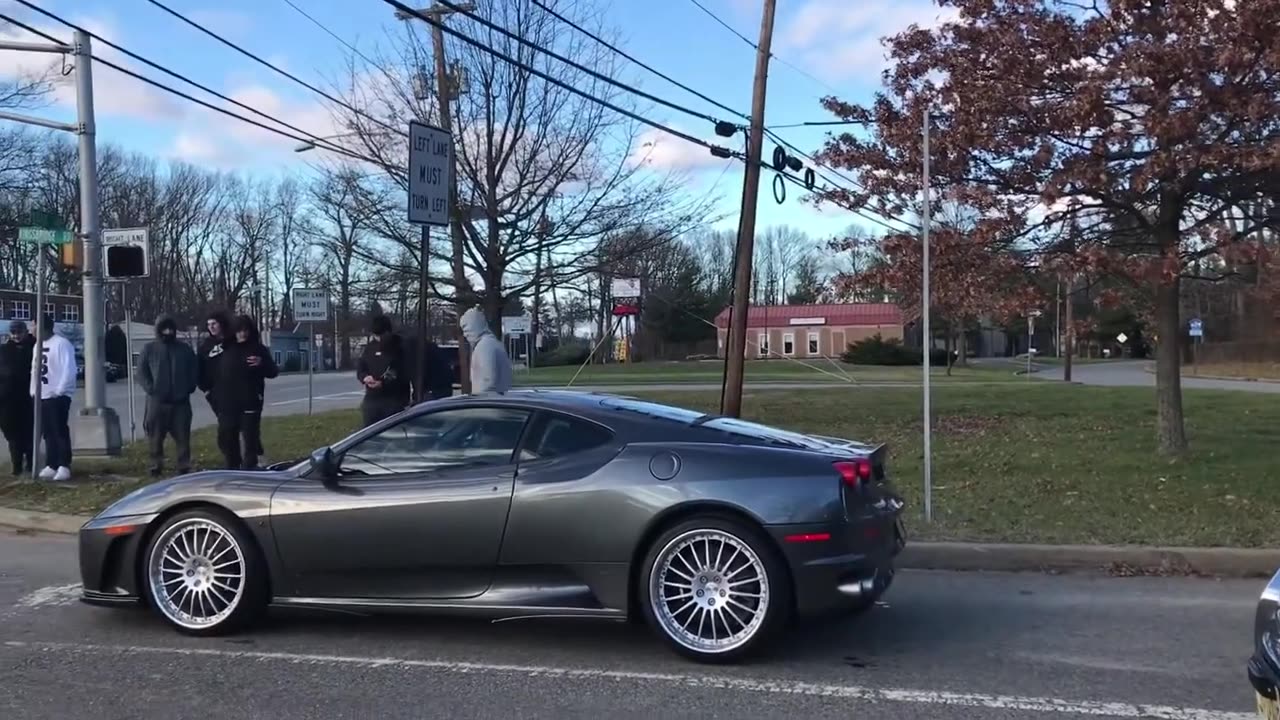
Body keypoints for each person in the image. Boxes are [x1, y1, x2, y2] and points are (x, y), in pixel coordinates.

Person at [212, 315, 277, 470]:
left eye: (246, 330)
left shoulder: (258, 349)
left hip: (250, 402)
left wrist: (261, 364)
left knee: (250, 440)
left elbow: (273, 371)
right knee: (229, 440)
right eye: (240, 331)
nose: (243, 334)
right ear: (234, 332)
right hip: (228, 404)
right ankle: (232, 469)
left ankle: (250, 469)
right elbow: (212, 372)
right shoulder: (225, 349)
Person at [137, 315, 198, 477]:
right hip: (157, 401)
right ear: (158, 330)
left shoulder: (184, 349)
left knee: (183, 435)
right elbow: (141, 372)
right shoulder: (149, 349)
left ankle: (184, 464)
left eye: (171, 329)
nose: (168, 332)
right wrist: (152, 389)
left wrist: (189, 387)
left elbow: (194, 370)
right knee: (155, 436)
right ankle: (155, 464)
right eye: (164, 329)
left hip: (181, 402)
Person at [30, 314, 76, 481]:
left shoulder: (62, 344)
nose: (31, 329)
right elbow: (35, 369)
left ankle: (64, 465)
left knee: (59, 430)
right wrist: (33, 390)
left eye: (33, 325)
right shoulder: (37, 346)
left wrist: (60, 390)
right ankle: (52, 463)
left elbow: (69, 369)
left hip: (57, 396)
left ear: (42, 327)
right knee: (47, 432)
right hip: (41, 395)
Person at [356, 315, 410, 427]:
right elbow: (361, 367)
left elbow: (400, 370)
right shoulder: (370, 348)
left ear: (388, 332)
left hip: (394, 399)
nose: (379, 339)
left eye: (381, 335)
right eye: (376, 336)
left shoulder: (399, 346)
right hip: (372, 399)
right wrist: (365, 377)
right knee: (370, 430)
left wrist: (383, 383)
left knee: (391, 430)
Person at [0, 321, 36, 475]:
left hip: (28, 397)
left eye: (19, 332)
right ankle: (17, 466)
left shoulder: (34, 347)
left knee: (29, 434)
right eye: (13, 333)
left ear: (25, 331)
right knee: (12, 435)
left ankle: (30, 464)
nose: (16, 336)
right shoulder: (4, 350)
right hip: (7, 399)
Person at [459, 307, 512, 395]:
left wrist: (479, 402)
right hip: (498, 401)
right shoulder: (494, 343)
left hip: (488, 403)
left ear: (475, 325)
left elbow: (487, 381)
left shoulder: (485, 346)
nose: (465, 334)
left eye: (465, 328)